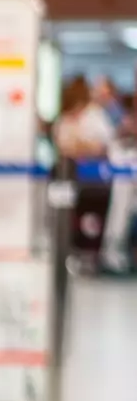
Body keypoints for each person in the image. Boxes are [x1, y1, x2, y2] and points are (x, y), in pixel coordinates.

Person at [55, 73, 115, 267]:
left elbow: (102, 145)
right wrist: (83, 146)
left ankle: (92, 255)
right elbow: (64, 146)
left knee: (93, 219)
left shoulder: (94, 115)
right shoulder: (64, 120)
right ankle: (72, 252)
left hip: (95, 182)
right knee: (69, 218)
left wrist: (80, 146)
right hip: (70, 178)